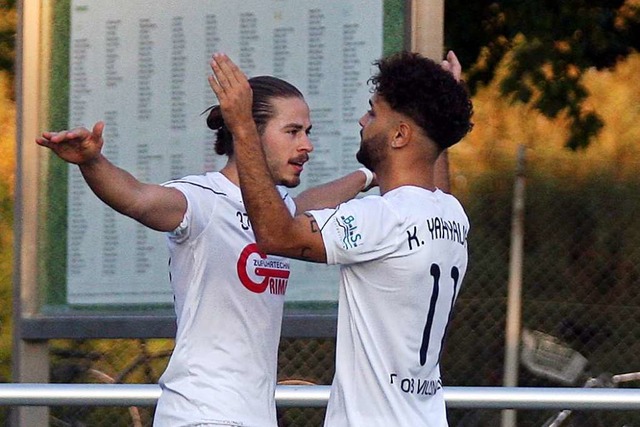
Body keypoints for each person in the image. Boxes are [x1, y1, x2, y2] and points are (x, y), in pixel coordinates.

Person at [36, 75, 374, 427]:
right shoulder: (204, 199)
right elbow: (137, 198)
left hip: (253, 417)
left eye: (308, 131)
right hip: (200, 416)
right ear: (248, 132)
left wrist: (371, 175)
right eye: (293, 132)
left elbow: (306, 205)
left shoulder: (279, 212)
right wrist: (92, 162)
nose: (307, 145)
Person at [209, 50, 473, 426]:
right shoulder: (451, 215)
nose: (362, 120)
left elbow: (275, 234)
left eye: (374, 112)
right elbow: (435, 180)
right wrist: (441, 109)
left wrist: (244, 129)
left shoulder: (382, 219)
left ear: (400, 134)